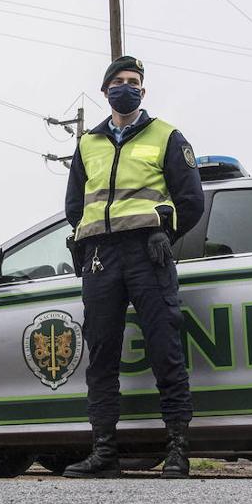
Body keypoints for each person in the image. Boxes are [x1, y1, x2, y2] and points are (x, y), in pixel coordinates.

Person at [62, 56, 205, 479]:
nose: (128, 87)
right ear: (105, 91)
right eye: (120, 82)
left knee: (165, 350)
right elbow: (74, 206)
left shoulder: (167, 136)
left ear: (143, 91)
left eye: (135, 82)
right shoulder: (88, 143)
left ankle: (178, 450)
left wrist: (167, 230)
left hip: (149, 254)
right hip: (101, 258)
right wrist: (89, 242)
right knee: (102, 355)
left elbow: (191, 200)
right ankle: (104, 452)